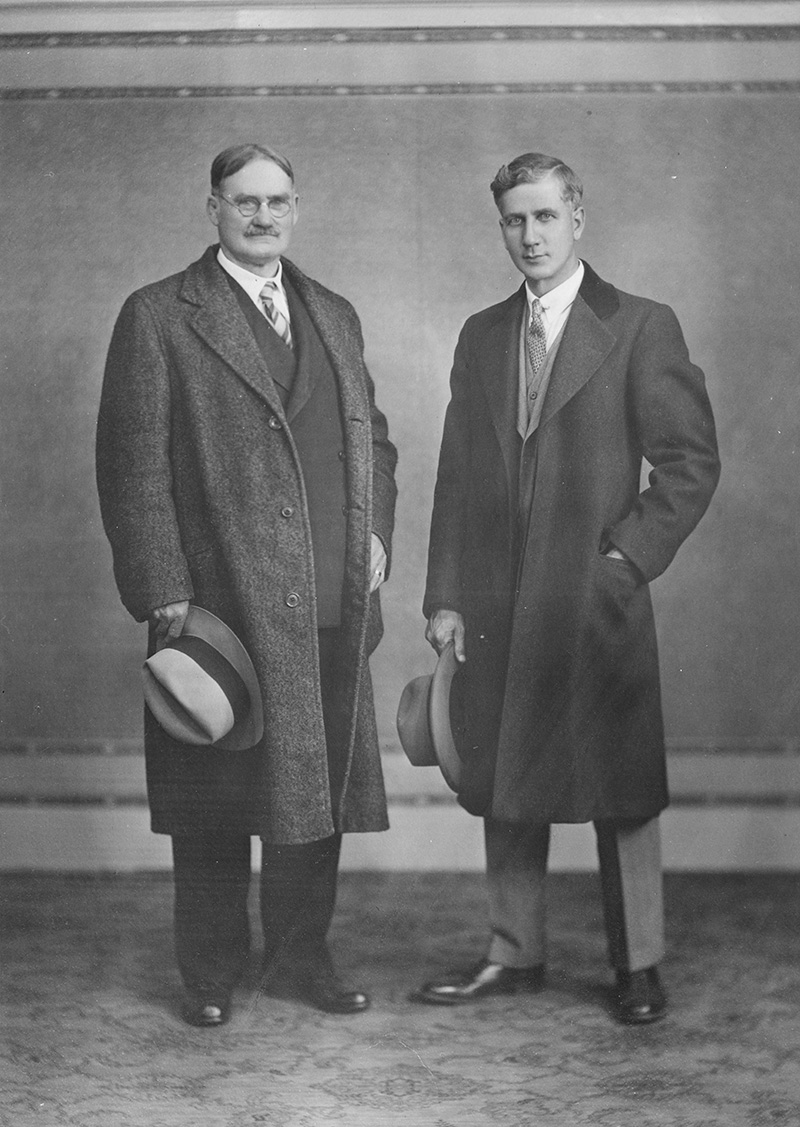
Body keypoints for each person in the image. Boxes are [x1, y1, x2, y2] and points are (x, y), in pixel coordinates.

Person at [411, 152, 720, 1024]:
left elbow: (691, 463)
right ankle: (515, 952)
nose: (530, 235)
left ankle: (639, 965)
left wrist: (625, 560)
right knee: (505, 776)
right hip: (501, 602)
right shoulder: (480, 335)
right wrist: (446, 597)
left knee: (619, 789)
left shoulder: (640, 325)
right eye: (514, 219)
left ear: (577, 218)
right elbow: (458, 477)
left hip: (594, 602)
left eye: (545, 217)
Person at [96, 143, 397, 1027]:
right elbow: (131, 465)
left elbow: (372, 439)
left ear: (296, 207)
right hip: (218, 601)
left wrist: (374, 532)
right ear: (213, 209)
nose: (263, 217)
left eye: (277, 202)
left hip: (333, 594)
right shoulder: (159, 314)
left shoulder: (333, 313)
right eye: (244, 203)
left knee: (318, 793)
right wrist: (164, 591)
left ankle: (304, 959)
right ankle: (211, 972)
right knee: (217, 798)